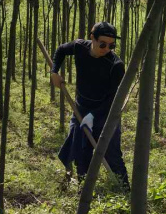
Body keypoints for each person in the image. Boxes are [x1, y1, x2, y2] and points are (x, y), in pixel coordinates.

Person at [50, 21, 130, 191]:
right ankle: (84, 190)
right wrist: (54, 72)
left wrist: (93, 116)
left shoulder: (116, 66)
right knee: (81, 150)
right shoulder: (80, 47)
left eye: (111, 45)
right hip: (81, 108)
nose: (106, 48)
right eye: (102, 44)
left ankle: (124, 193)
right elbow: (61, 50)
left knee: (111, 155)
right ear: (92, 38)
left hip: (106, 113)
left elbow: (114, 100)